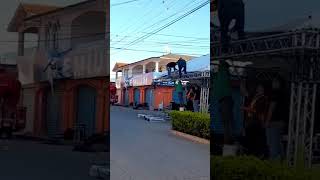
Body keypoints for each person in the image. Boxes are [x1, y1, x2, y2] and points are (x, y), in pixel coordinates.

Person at [242, 84, 269, 158]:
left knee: (255, 141)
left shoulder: (263, 99)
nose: (259, 89)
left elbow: (258, 111)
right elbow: (246, 94)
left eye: (261, 88)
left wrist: (246, 109)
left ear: (263, 90)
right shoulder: (255, 97)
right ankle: (251, 154)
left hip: (257, 123)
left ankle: (257, 155)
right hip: (251, 122)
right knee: (250, 141)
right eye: (258, 88)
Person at [213, 60, 234, 145]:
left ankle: (228, 141)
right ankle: (228, 141)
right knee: (227, 122)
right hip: (226, 100)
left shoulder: (220, 75)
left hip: (224, 100)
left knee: (226, 123)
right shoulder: (225, 75)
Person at [265, 78, 287, 160]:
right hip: (280, 122)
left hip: (274, 122)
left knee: (273, 144)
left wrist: (267, 121)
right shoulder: (283, 94)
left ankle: (273, 162)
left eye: (275, 81)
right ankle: (282, 160)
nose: (273, 83)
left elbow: (272, 107)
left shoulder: (275, 93)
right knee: (278, 143)